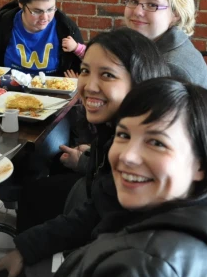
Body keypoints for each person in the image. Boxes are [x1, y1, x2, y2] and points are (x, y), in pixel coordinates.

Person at [0, 78, 207, 277]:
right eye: (124, 135)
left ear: (200, 165)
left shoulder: (145, 274)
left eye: (156, 143)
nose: (128, 156)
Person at [16, 28, 170, 233]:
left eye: (107, 75)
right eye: (85, 71)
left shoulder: (138, 146)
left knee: (33, 193)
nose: (89, 86)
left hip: (96, 218)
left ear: (139, 81)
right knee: (52, 163)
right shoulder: (116, 123)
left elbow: (103, 215)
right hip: (93, 186)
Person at [124, 0, 207, 92]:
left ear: (176, 14)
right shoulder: (156, 47)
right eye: (134, 1)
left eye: (152, 5)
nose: (137, 11)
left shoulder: (170, 68)